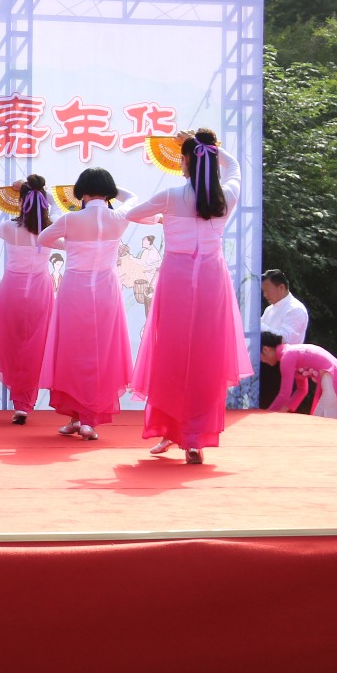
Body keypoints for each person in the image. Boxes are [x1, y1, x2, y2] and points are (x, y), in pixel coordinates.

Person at [124, 130, 247, 464]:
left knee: (172, 353)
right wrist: (210, 147)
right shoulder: (226, 195)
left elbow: (132, 214)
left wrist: (159, 218)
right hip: (211, 279)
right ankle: (194, 438)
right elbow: (235, 168)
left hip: (177, 278)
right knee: (206, 356)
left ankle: (172, 431)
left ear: (186, 161)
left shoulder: (172, 195)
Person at [36, 169, 138, 440]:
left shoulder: (71, 219)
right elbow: (133, 197)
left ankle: (82, 417)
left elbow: (43, 239)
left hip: (75, 289)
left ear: (82, 192)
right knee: (101, 352)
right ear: (109, 193)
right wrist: (115, 190)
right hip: (106, 289)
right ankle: (84, 419)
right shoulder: (119, 217)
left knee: (73, 351)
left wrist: (71, 246)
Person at [0, 175, 54, 425]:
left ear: (21, 202)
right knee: (37, 346)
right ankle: (24, 403)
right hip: (40, 291)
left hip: (12, 290)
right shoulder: (52, 229)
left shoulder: (7, 228)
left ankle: (20, 399)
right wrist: (38, 191)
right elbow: (55, 209)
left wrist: (23, 191)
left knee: (9, 342)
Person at [259, 269, 311, 410]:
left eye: (267, 290)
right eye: (263, 291)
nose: (265, 295)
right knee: (262, 407)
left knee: (277, 408)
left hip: (284, 365)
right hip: (266, 361)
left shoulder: (295, 309)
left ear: (281, 287)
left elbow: (284, 339)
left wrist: (257, 325)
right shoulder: (269, 310)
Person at [260, 332, 336, 415]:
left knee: (322, 418)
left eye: (259, 356)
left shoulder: (287, 357)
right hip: (331, 377)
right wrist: (284, 409)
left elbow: (285, 394)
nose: (261, 361)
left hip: (331, 377)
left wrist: (268, 413)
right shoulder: (290, 354)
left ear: (265, 349)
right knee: (322, 418)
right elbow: (302, 390)